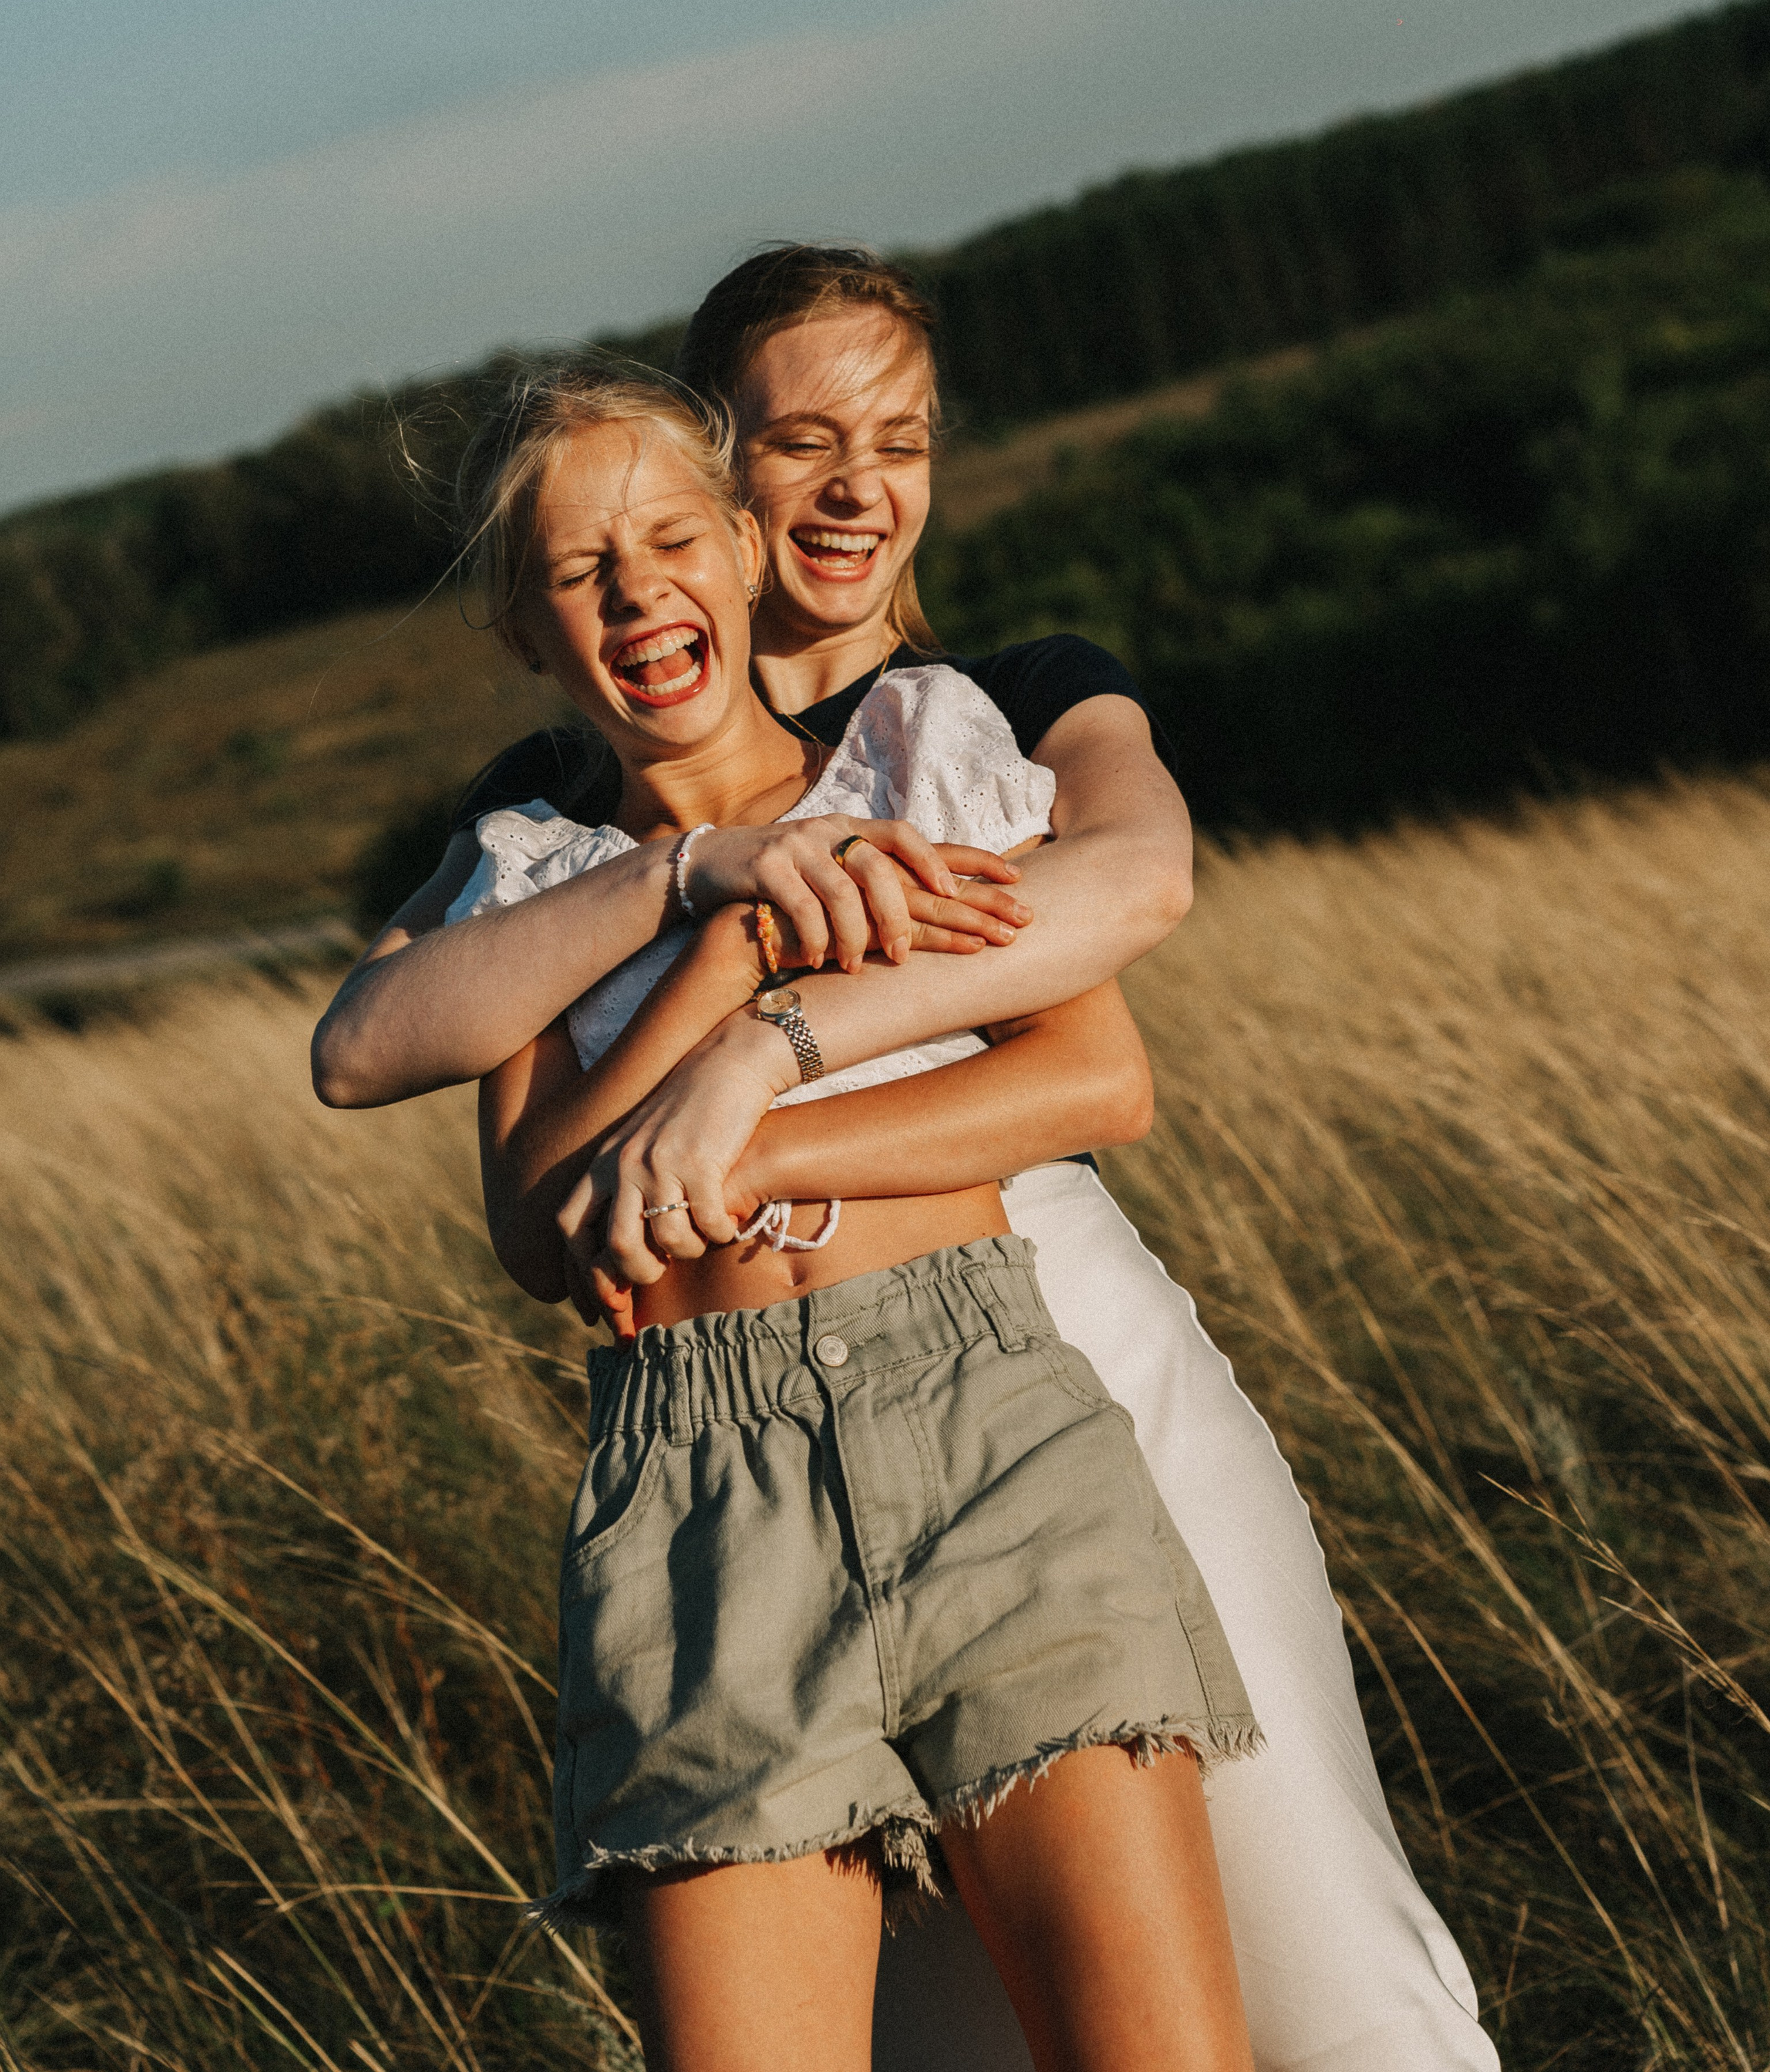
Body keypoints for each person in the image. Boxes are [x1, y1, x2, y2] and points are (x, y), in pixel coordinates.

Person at [311, 250, 1500, 2071]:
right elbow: (406, 1067)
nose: (862, 487)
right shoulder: (555, 822)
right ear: (725, 472)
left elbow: (1120, 958)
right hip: (716, 1443)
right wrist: (713, 898)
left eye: (904, 438)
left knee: (1332, 1978)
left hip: (1041, 1358)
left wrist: (758, 1074)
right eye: (806, 440)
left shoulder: (979, 705)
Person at [431, 360, 1261, 2072]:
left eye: (669, 538)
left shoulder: (907, 760)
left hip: (978, 1416)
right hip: (693, 1486)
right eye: (578, 570)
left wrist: (751, 1110)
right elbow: (546, 1229)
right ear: (524, 626)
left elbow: (1091, 1070)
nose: (636, 590)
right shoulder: (523, 874)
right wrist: (728, 931)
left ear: (743, 554)